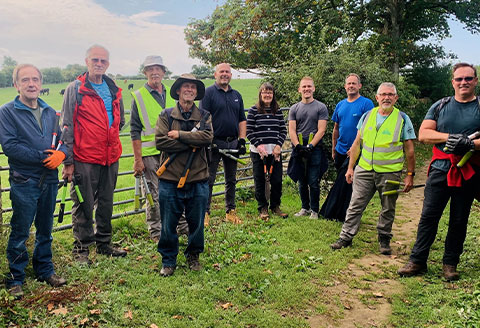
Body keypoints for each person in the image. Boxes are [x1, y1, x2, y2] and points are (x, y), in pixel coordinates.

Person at [398, 63, 480, 281]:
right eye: (459, 79)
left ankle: (450, 264)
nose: (464, 82)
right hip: (440, 169)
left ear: (476, 81)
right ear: (452, 82)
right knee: (429, 216)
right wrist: (450, 137)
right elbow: (424, 134)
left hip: (468, 170)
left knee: (459, 218)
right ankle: (417, 261)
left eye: (468, 79)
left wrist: (471, 145)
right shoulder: (441, 105)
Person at [0, 64, 67, 299]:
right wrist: (43, 158)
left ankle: (44, 269)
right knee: (20, 230)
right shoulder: (7, 112)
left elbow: (63, 139)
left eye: (35, 79)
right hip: (25, 180)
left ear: (41, 83)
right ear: (16, 84)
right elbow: (10, 146)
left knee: (46, 229)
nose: (31, 84)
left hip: (49, 179)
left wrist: (63, 154)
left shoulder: (50, 111)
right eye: (25, 80)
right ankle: (15, 277)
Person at [330, 82, 416, 255]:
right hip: (364, 169)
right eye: (383, 94)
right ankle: (345, 238)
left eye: (390, 94)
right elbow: (357, 144)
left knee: (388, 207)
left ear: (396, 98)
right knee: (355, 204)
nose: (386, 97)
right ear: (377, 98)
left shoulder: (402, 119)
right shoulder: (368, 115)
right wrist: (351, 168)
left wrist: (409, 175)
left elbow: (410, 150)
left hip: (389, 172)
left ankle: (384, 240)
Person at [61, 44, 126, 264]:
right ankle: (82, 249)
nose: (99, 64)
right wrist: (68, 161)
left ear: (108, 64)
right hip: (84, 157)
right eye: (95, 60)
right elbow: (67, 124)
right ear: (86, 61)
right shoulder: (75, 88)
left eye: (103, 61)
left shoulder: (114, 89)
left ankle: (104, 243)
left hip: (111, 156)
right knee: (83, 203)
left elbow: (120, 121)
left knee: (106, 202)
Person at [155, 74, 213, 277]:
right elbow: (161, 142)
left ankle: (193, 255)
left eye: (193, 87)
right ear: (178, 91)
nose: (189, 90)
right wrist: (193, 141)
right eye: (185, 87)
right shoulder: (166, 115)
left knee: (196, 222)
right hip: (170, 177)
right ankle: (168, 260)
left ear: (196, 93)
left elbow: (207, 138)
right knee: (168, 222)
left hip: (198, 177)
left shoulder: (205, 115)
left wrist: (180, 135)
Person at [130, 55, 176, 242]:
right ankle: (156, 231)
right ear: (145, 72)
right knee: (153, 192)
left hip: (172, 151)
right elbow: (134, 130)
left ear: (164, 72)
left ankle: (176, 224)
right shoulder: (139, 96)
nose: (154, 72)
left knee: (174, 189)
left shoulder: (172, 94)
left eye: (158, 69)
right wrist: (137, 159)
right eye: (150, 69)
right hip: (150, 153)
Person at [320, 74, 374, 222]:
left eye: (354, 83)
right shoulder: (340, 105)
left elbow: (369, 129)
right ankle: (337, 213)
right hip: (341, 150)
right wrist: (334, 148)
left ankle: (346, 215)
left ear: (359, 86)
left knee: (351, 185)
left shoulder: (366, 104)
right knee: (340, 182)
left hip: (356, 152)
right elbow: (336, 128)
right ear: (345, 86)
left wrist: (358, 147)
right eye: (348, 83)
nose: (351, 86)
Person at [200, 63, 246, 225]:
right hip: (213, 143)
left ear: (231, 75)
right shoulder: (208, 93)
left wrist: (241, 140)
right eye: (222, 71)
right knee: (209, 179)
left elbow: (242, 119)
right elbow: (204, 117)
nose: (225, 74)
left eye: (227, 72)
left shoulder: (236, 95)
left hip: (232, 142)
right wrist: (209, 139)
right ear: (215, 74)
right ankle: (205, 213)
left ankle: (230, 211)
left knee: (231, 179)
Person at [288, 76, 329, 219]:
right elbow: (292, 130)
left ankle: (314, 210)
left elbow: (322, 130)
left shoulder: (320, 107)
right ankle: (304, 207)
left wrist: (311, 145)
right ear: (299, 89)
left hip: (314, 147)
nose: (306, 89)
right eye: (304, 87)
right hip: (299, 146)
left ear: (313, 88)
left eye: (309, 86)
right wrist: (297, 146)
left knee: (313, 180)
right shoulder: (294, 108)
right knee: (301, 179)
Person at [246, 82, 288, 220]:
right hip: (258, 152)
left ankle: (275, 206)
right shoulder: (253, 110)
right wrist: (258, 145)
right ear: (260, 94)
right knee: (260, 180)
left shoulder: (278, 111)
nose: (267, 95)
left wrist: (278, 146)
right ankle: (262, 207)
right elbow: (249, 131)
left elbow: (283, 130)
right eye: (265, 92)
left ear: (273, 95)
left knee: (276, 180)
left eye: (270, 92)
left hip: (275, 152)